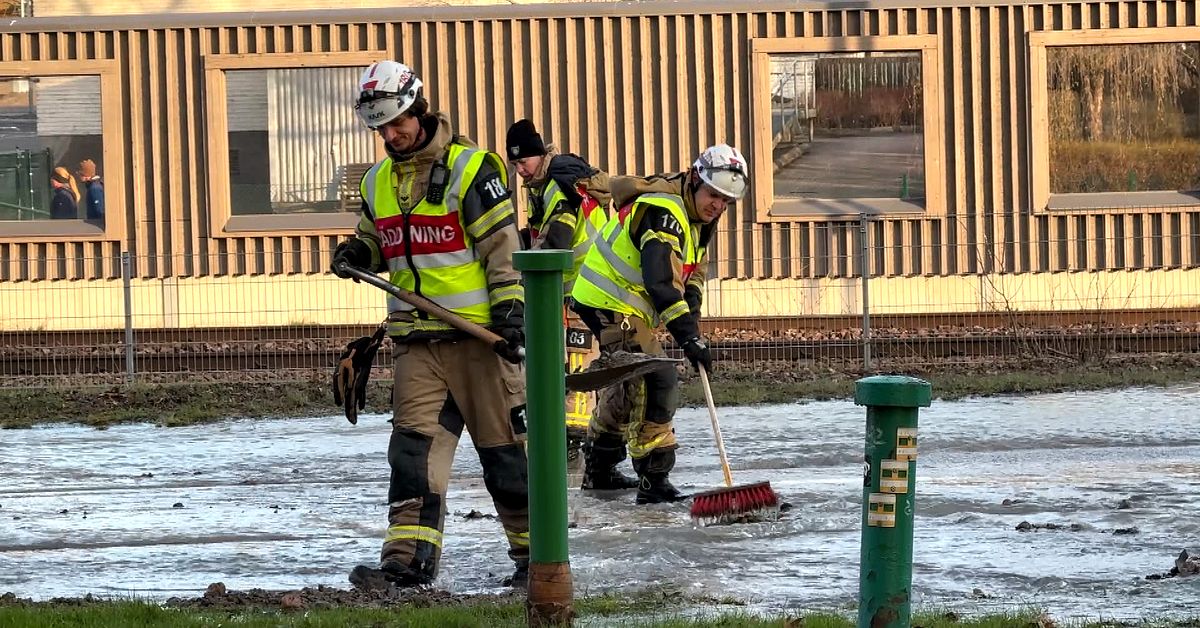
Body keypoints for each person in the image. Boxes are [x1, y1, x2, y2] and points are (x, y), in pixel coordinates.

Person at [329, 59, 530, 590]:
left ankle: (538, 558)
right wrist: (357, 250)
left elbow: (502, 250)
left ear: (419, 109)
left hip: (479, 343)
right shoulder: (376, 183)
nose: (390, 136)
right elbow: (379, 241)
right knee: (412, 456)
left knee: (506, 457)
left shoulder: (472, 169)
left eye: (398, 123)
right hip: (416, 344)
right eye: (380, 128)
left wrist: (511, 313)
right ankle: (406, 563)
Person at [570, 144, 749, 504]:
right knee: (656, 377)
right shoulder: (664, 211)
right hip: (610, 300)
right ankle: (654, 476)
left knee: (626, 383)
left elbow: (692, 275)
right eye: (714, 195)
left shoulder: (698, 219)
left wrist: (692, 322)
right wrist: (688, 339)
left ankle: (601, 470)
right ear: (696, 179)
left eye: (726, 201)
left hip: (619, 301)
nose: (718, 206)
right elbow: (661, 283)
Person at [504, 118, 612, 483]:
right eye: (515, 165)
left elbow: (556, 242)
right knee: (569, 364)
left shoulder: (556, 188)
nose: (520, 171)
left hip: (581, 290)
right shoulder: (545, 184)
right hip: (574, 289)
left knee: (578, 366)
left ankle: (573, 441)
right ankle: (575, 437)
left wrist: (530, 265)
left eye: (523, 163)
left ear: (539, 155)